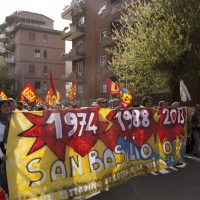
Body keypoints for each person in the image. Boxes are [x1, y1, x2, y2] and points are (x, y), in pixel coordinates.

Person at [0, 100, 11, 196]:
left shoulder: (11, 119)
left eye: (8, 106)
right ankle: (5, 195)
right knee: (3, 175)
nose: (7, 107)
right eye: (4, 106)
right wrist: (1, 154)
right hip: (2, 152)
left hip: (10, 151)